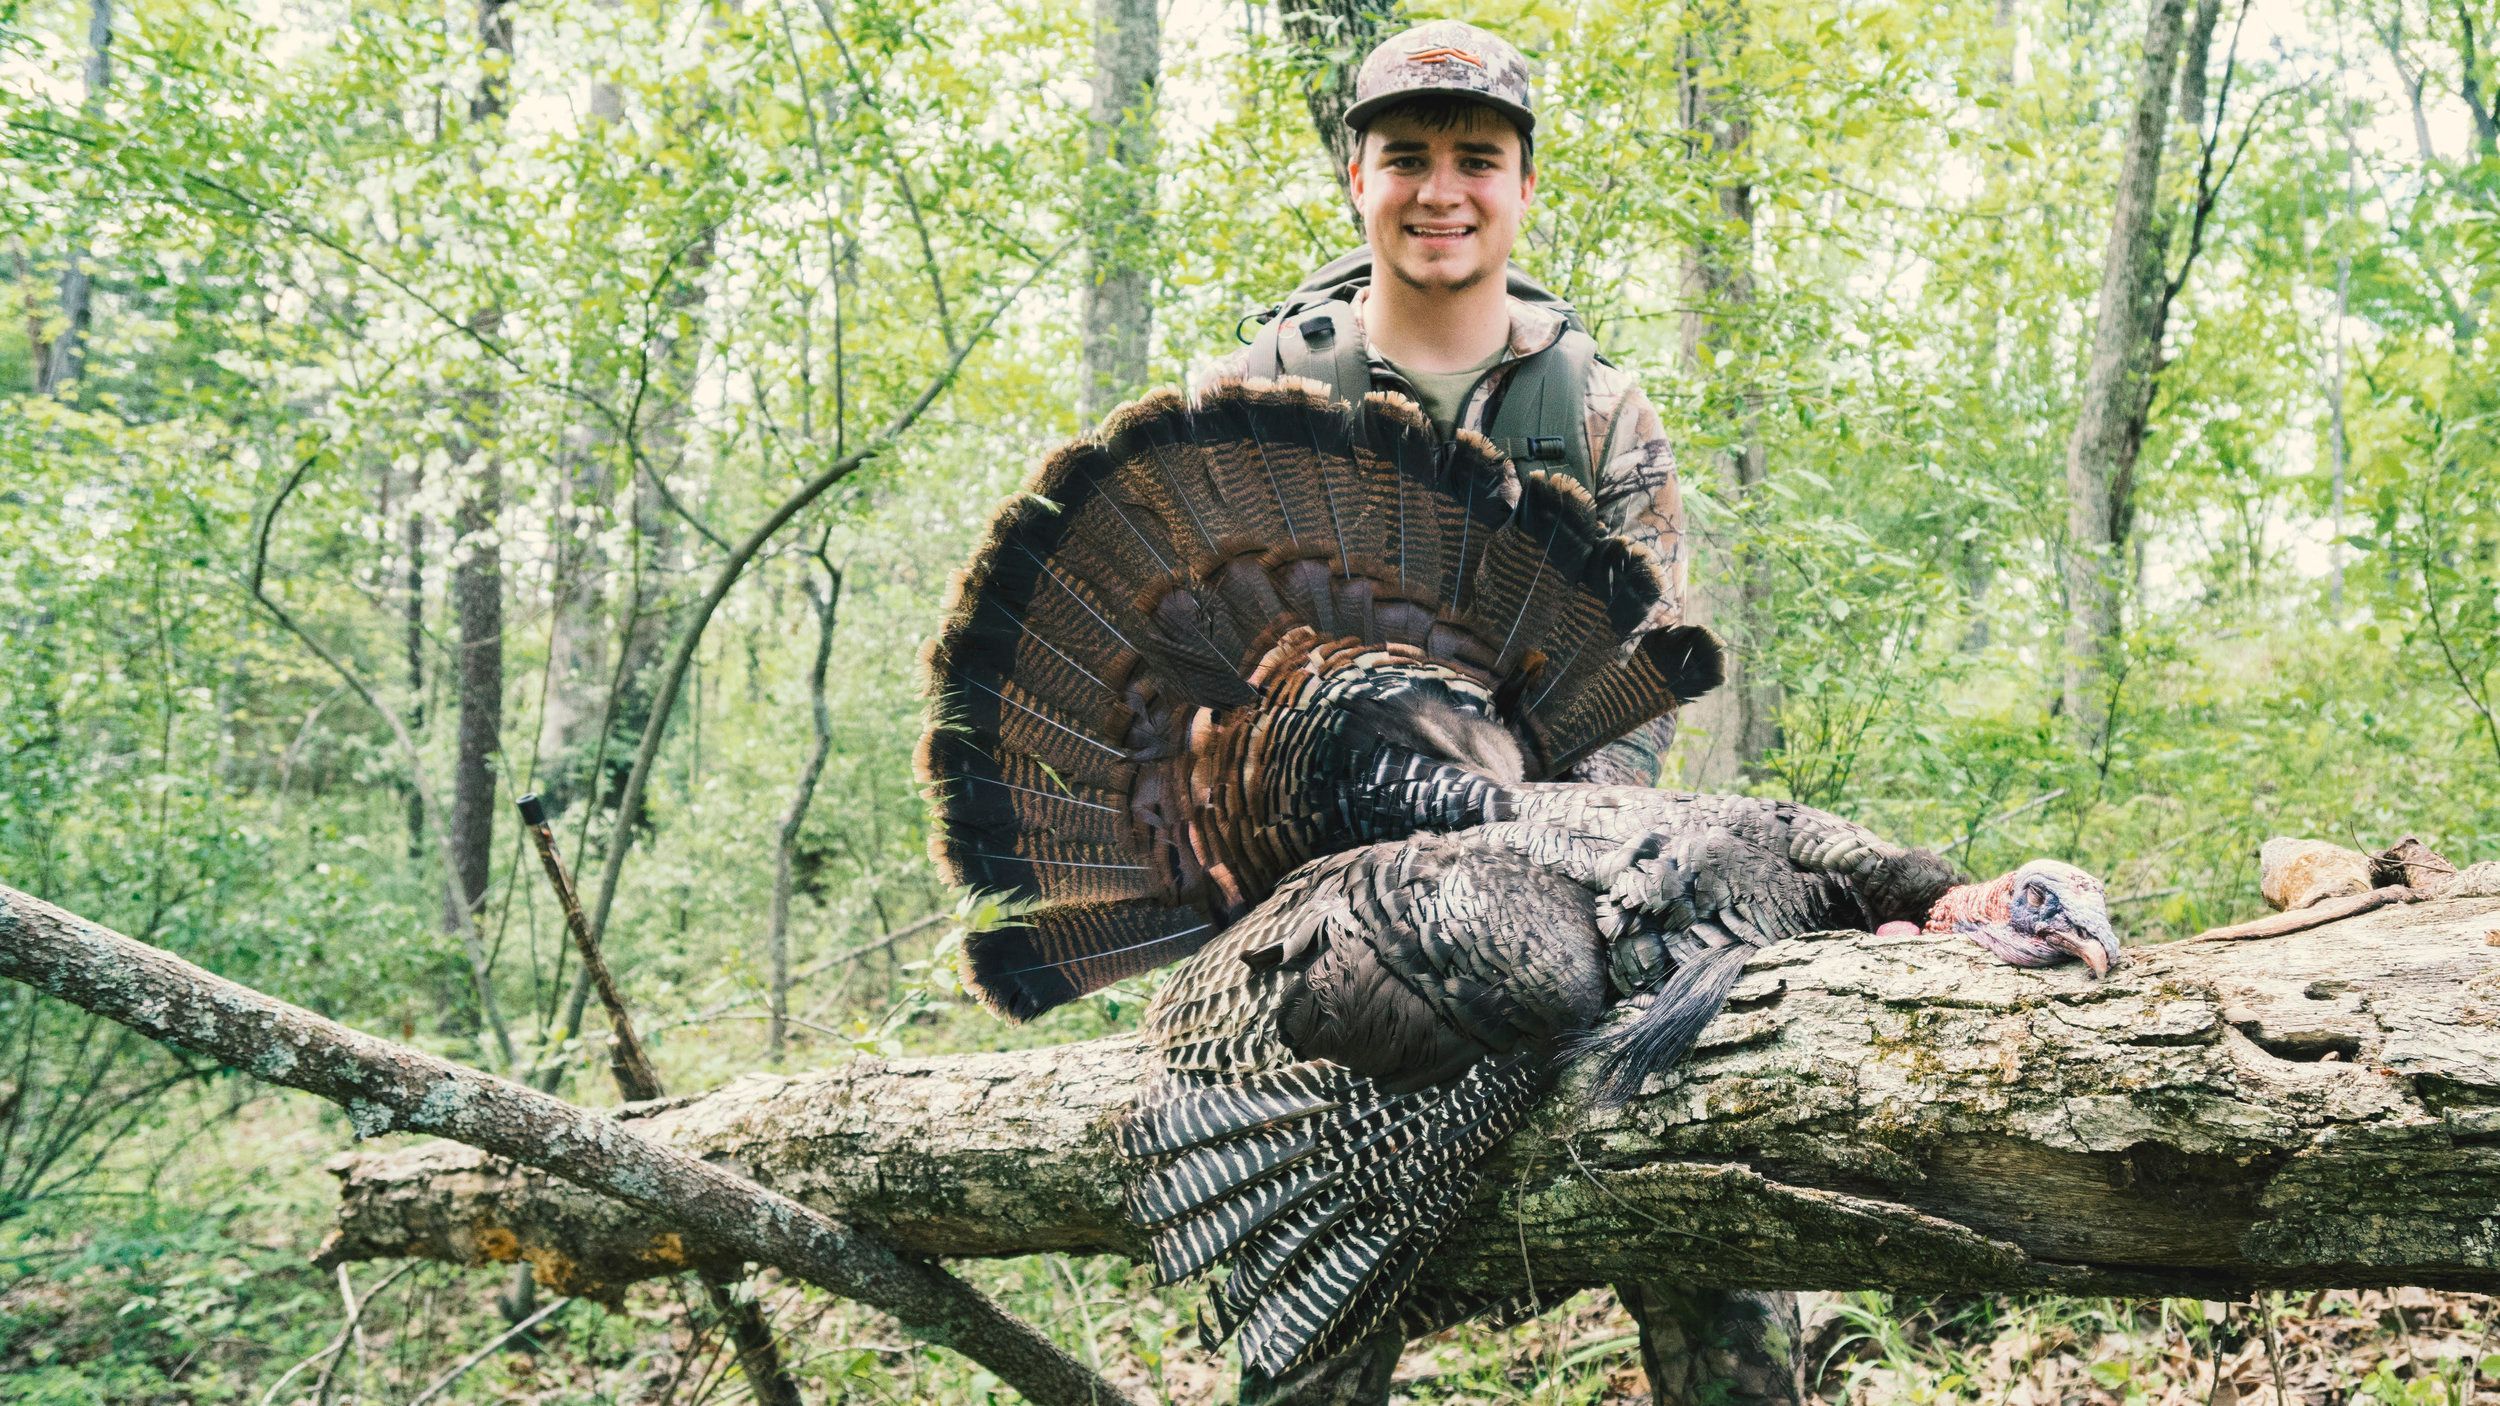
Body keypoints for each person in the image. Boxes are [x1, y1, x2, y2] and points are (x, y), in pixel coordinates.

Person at [1199, 17, 1689, 788]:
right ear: (1359, 180)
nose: (1440, 192)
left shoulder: (1605, 417)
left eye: (1477, 161)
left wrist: (1553, 836)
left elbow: (1636, 693)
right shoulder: (1248, 399)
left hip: (1529, 844)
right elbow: (1181, 671)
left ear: (1524, 187)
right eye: (1407, 159)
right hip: (1295, 848)